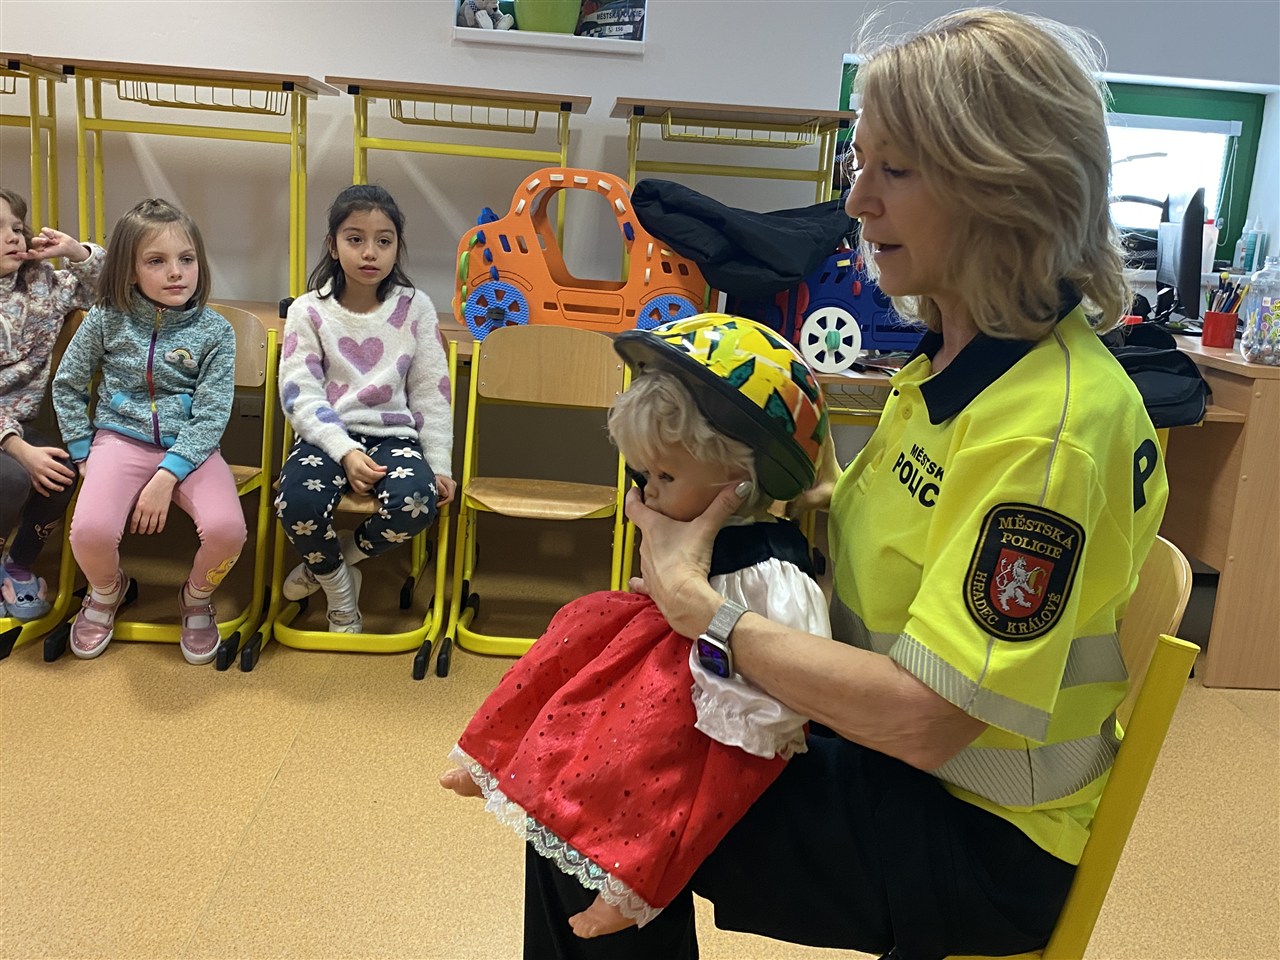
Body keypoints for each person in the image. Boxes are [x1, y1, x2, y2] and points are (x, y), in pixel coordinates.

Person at [519, 8, 1170, 960]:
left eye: (894, 171)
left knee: (583, 807)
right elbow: (883, 533)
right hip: (886, 754)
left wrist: (706, 610)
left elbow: (924, 720)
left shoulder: (1049, 431)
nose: (858, 202)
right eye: (859, 165)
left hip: (974, 831)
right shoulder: (955, 352)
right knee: (587, 737)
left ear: (1006, 186)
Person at [441, 313, 831, 938]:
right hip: (662, 638)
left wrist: (715, 664)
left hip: (718, 690)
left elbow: (787, 665)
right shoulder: (683, 514)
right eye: (644, 475)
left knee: (635, 744)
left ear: (741, 480)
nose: (648, 493)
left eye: (665, 477)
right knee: (572, 639)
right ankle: (496, 759)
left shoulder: (773, 570)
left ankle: (629, 883)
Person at [52, 198, 246, 664]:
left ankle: (196, 598)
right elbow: (68, 384)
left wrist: (167, 476)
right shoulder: (105, 319)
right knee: (90, 532)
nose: (176, 272)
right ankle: (107, 591)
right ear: (130, 270)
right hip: (118, 440)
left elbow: (212, 414)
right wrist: (82, 452)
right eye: (156, 261)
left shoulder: (216, 332)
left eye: (187, 259)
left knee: (227, 531)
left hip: (192, 448)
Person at [275, 184, 455, 634]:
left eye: (383, 240)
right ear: (333, 245)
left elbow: (432, 392)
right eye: (355, 239)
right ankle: (341, 596)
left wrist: (439, 464)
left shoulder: (415, 308)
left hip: (394, 436)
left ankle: (334, 561)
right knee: (296, 501)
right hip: (327, 437)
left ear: (397, 248)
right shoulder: (306, 311)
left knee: (419, 502)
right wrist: (345, 452)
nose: (370, 252)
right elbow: (300, 393)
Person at [1, 188, 104, 621]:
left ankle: (17, 564)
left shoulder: (41, 281)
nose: (13, 236)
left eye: (16, 227)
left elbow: (106, 292)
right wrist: (17, 447)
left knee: (61, 471)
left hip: (15, 424)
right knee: (12, 478)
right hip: (8, 436)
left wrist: (77, 253)